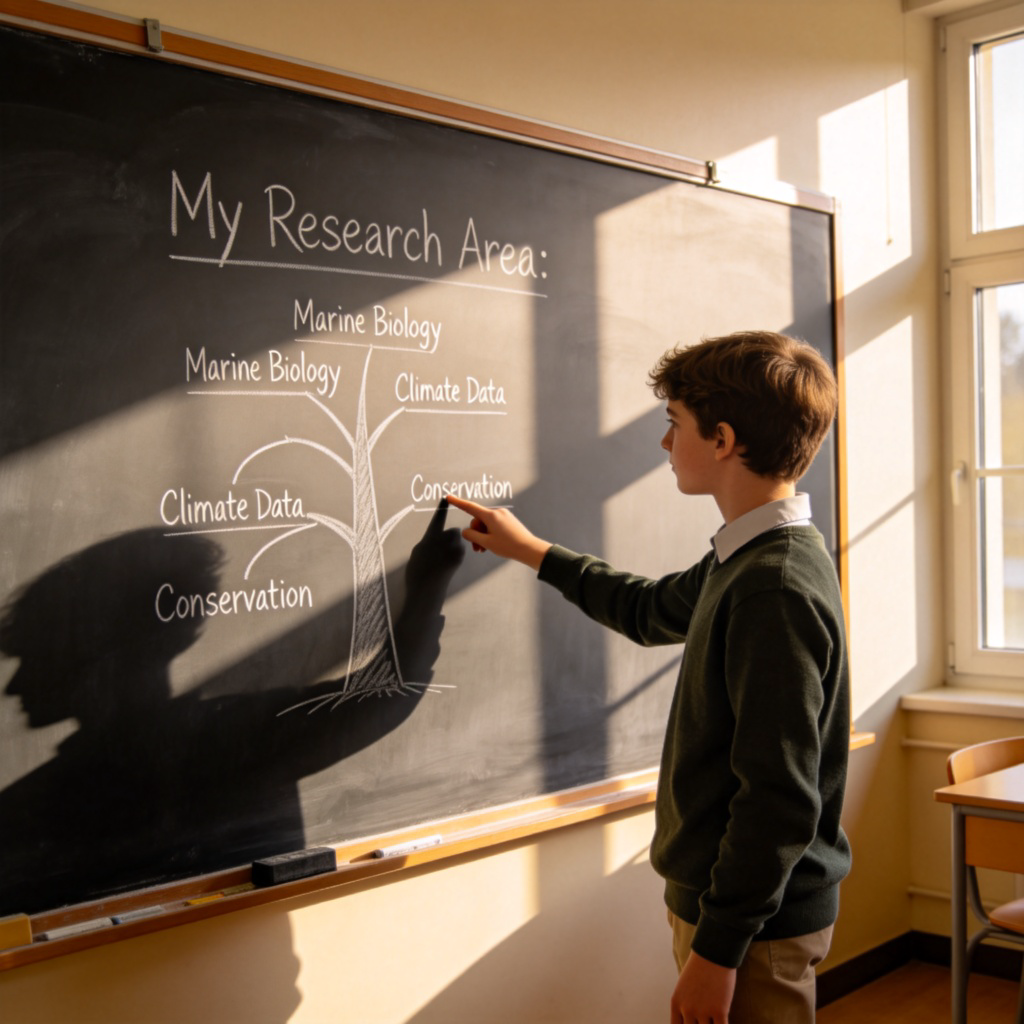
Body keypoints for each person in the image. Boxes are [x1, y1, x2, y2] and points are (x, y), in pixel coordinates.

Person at [446, 330, 851, 1024]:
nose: (665, 446)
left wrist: (718, 954)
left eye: (675, 425)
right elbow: (651, 610)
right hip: (738, 913)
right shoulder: (750, 556)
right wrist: (535, 552)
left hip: (753, 929)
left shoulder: (773, 586)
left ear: (722, 440)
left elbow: (780, 801)